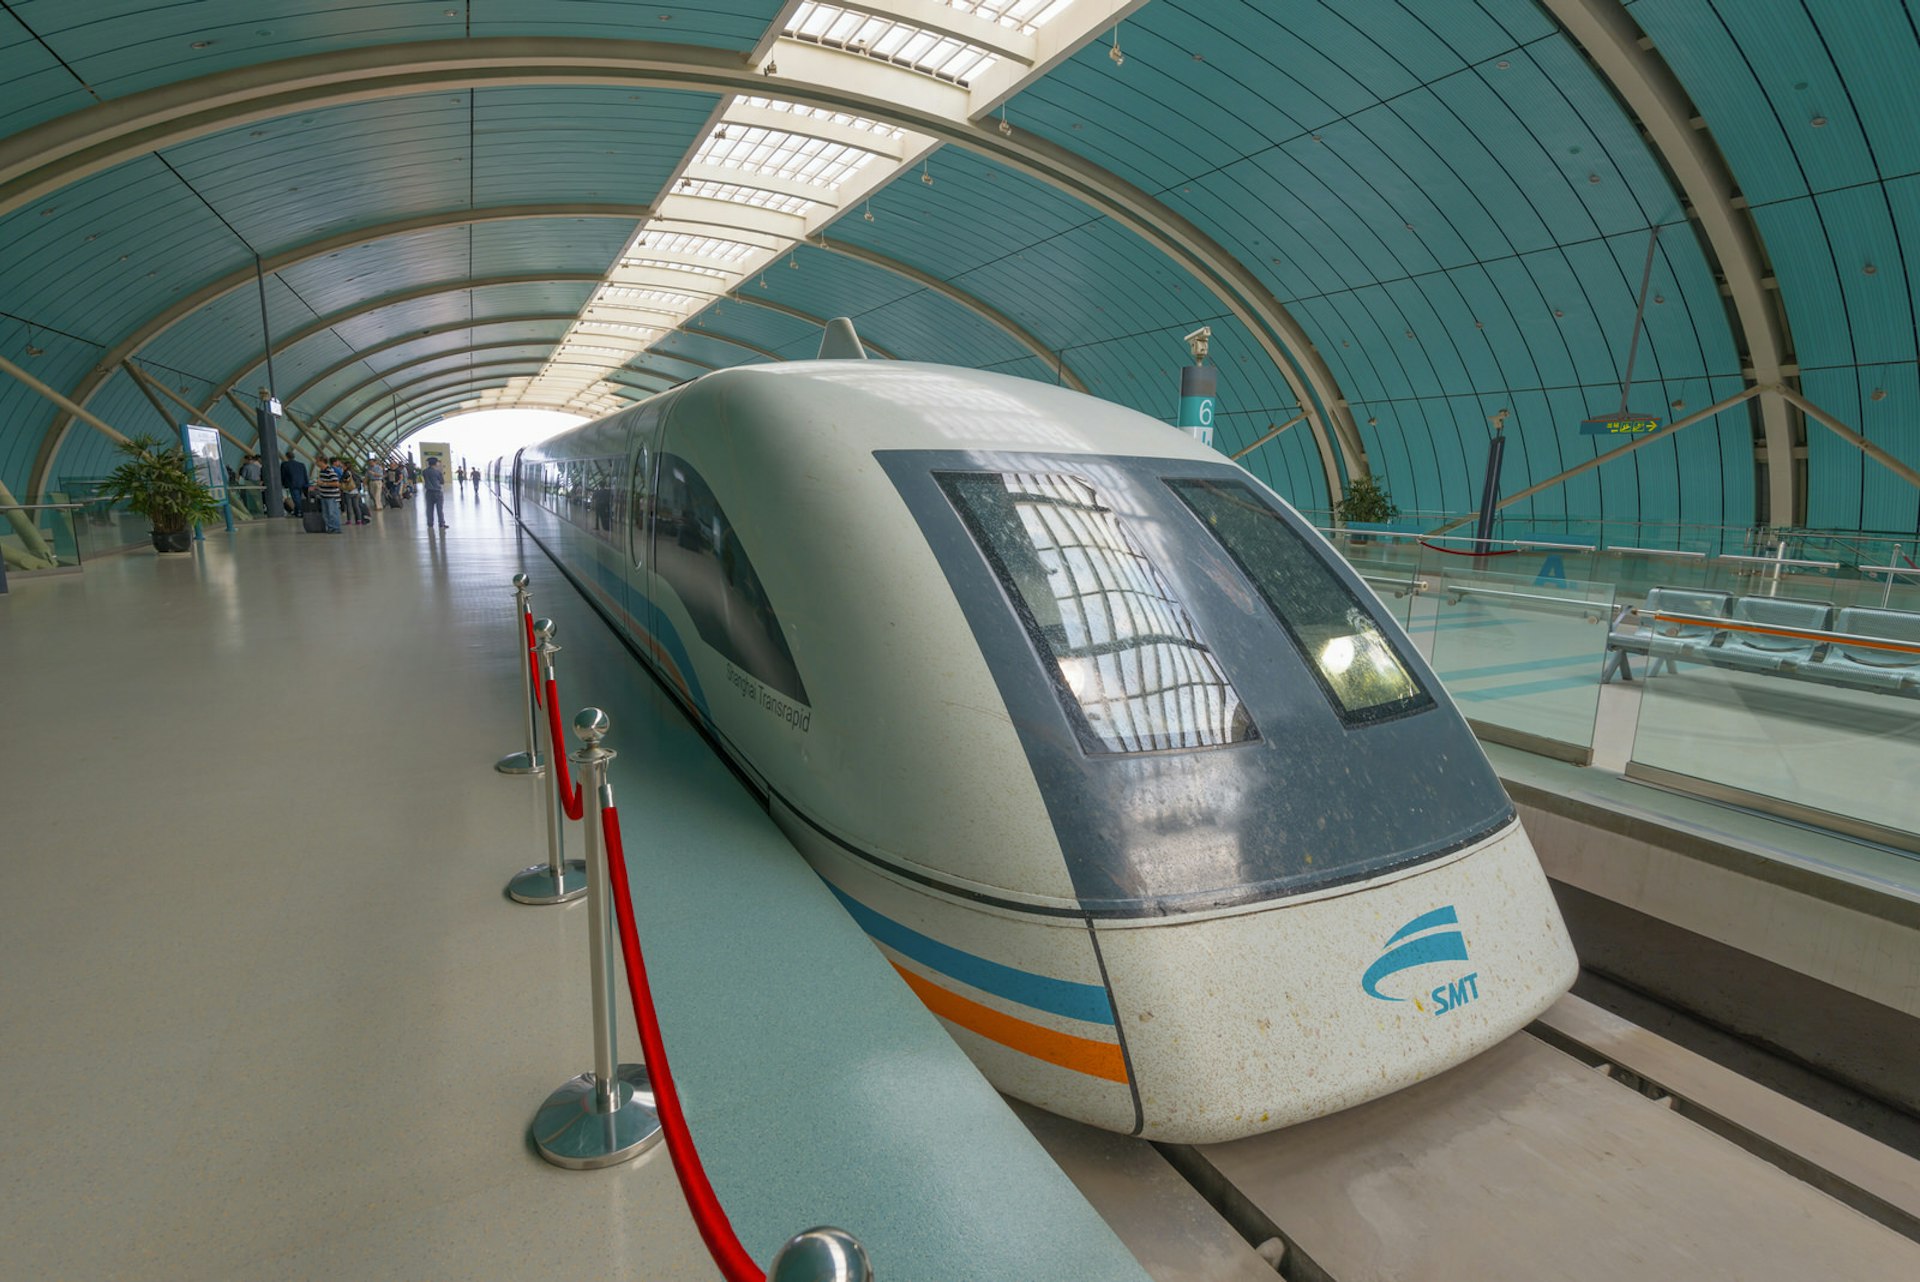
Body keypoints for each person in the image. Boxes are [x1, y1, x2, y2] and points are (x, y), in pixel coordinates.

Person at [310, 457, 343, 533]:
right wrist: (317, 486)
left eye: (317, 461)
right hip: (324, 495)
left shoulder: (330, 471)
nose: (316, 463)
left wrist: (324, 483)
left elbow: (336, 483)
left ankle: (336, 528)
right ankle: (330, 528)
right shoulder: (321, 471)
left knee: (332, 513)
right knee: (326, 514)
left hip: (332, 496)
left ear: (322, 462)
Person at [280, 450, 309, 517]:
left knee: (296, 499)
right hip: (302, 483)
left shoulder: (285, 465)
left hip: (292, 484)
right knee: (298, 498)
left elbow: (283, 475)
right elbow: (305, 475)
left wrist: (283, 483)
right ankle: (296, 511)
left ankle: (301, 512)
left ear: (286, 457)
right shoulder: (301, 464)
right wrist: (307, 484)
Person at [423, 455, 447, 529]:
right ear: (435, 463)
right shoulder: (437, 472)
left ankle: (430, 524)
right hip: (437, 492)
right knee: (439, 509)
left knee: (429, 509)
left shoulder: (424, 472)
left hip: (428, 492)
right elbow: (442, 482)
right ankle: (441, 523)